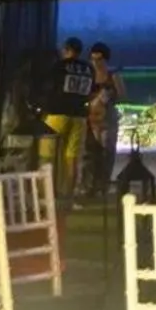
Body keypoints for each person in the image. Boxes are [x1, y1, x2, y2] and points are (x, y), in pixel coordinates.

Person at [39, 37, 94, 197]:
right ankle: (69, 193)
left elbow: (48, 87)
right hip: (79, 116)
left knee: (47, 153)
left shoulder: (59, 66)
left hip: (57, 113)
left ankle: (47, 191)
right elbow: (91, 92)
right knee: (72, 157)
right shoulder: (88, 68)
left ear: (66, 50)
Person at [80, 42, 127, 196]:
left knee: (107, 152)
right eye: (93, 59)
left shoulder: (113, 75)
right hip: (91, 117)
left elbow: (122, 96)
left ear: (105, 59)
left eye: (99, 59)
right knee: (90, 152)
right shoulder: (88, 75)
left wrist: (109, 96)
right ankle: (89, 185)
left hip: (108, 117)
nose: (96, 62)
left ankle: (103, 185)